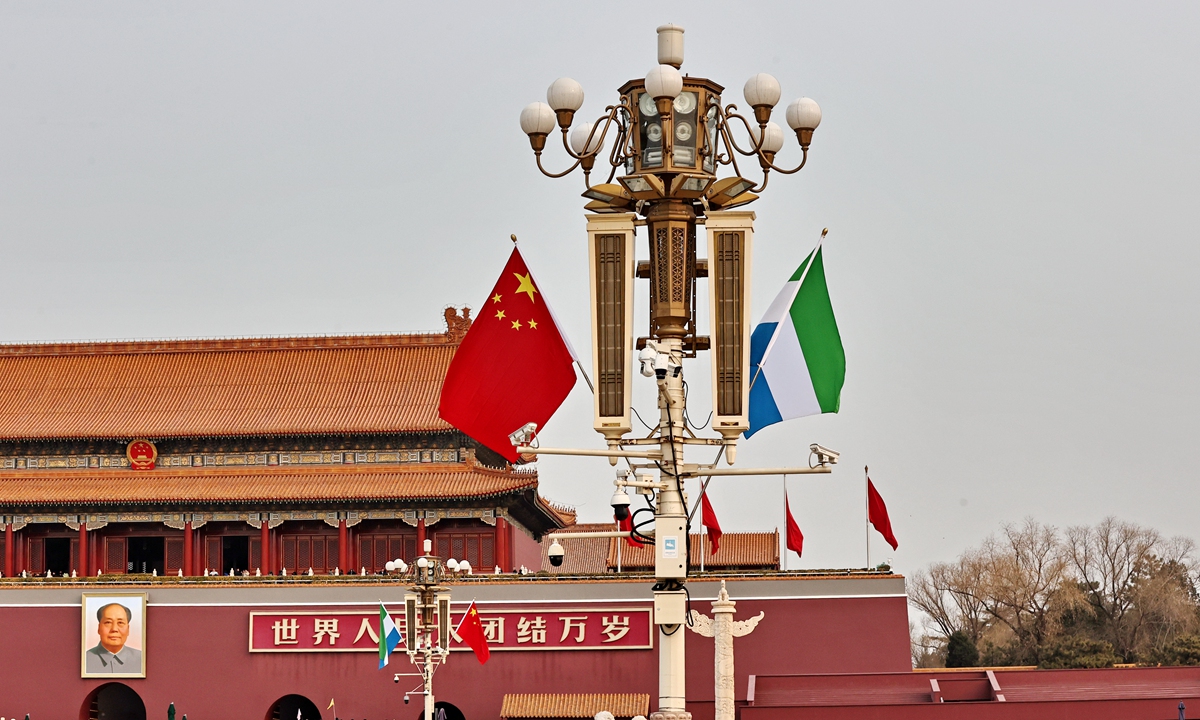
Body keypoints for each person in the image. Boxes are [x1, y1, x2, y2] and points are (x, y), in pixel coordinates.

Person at [85, 602, 142, 674]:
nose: (114, 629)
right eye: (108, 622)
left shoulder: (142, 660)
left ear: (128, 629)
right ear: (99, 628)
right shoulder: (84, 660)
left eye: (120, 623)